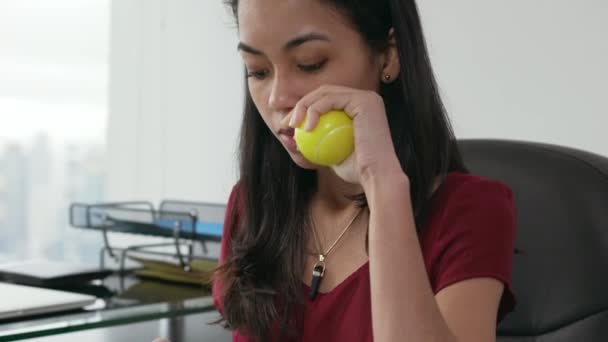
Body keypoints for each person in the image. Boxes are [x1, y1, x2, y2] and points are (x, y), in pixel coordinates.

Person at [208, 0, 517, 341]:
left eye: (310, 64)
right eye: (258, 71)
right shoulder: (252, 206)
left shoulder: (469, 210)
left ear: (388, 55)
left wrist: (382, 184)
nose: (277, 98)